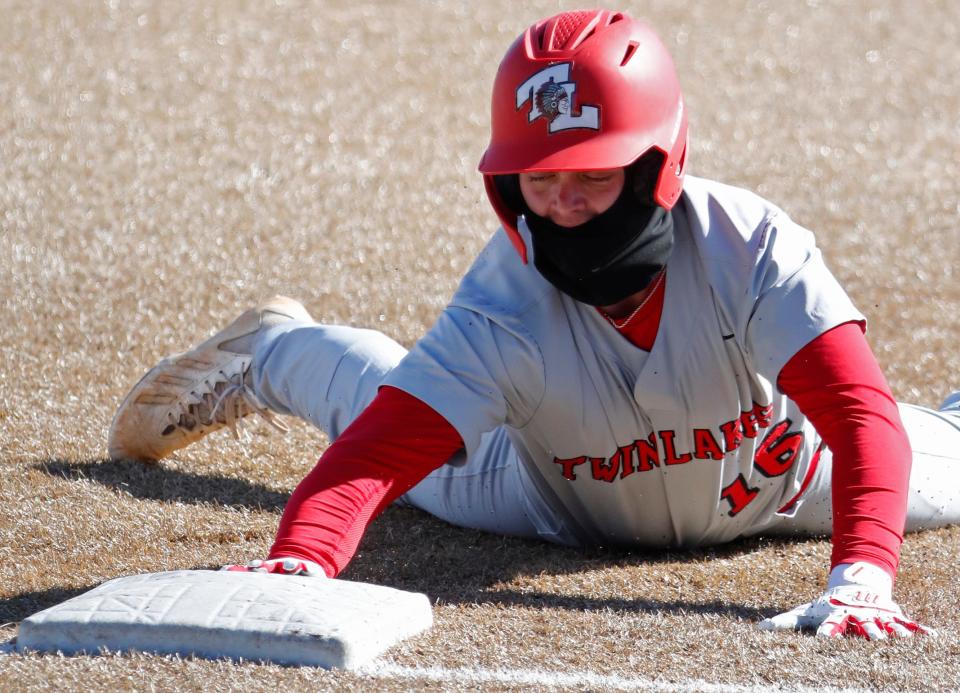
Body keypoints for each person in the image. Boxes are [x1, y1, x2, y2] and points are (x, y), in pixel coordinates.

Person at [108, 9, 960, 640]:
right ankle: (272, 348)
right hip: (545, 500)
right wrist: (302, 558)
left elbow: (857, 415)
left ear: (657, 160)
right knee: (377, 403)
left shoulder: (750, 245)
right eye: (538, 178)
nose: (563, 204)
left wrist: (860, 579)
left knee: (934, 455)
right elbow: (372, 457)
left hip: (785, 482)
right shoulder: (504, 297)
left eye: (590, 171)